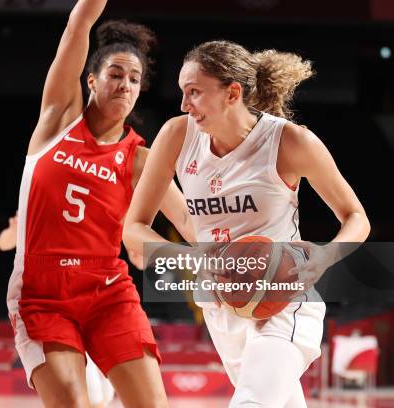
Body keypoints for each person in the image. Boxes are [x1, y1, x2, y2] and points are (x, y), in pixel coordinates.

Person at [123, 40, 370, 407]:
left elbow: (356, 217)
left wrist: (324, 257)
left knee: (251, 403)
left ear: (232, 93)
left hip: (285, 299)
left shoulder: (289, 141)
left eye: (194, 92)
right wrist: (197, 260)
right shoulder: (177, 135)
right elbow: (134, 228)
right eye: (182, 93)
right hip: (223, 307)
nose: (183, 104)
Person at [6, 1, 195, 406]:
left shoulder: (141, 159)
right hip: (42, 293)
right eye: (115, 74)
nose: (125, 84)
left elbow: (187, 220)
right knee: (75, 402)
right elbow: (79, 24)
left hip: (108, 291)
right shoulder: (58, 119)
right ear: (91, 79)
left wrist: (232, 259)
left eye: (134, 78)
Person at [0, 217, 116, 408]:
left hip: (87, 298)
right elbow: (3, 242)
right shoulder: (32, 207)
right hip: (53, 305)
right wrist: (15, 231)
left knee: (104, 394)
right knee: (91, 396)